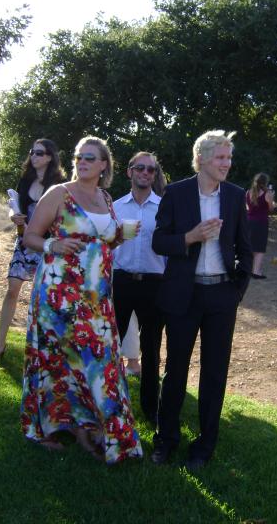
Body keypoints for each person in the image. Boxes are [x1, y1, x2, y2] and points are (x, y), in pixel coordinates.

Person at [20, 135, 142, 463]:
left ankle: (96, 428)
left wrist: (121, 235)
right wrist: (53, 245)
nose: (82, 162)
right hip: (58, 296)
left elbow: (103, 242)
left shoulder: (105, 197)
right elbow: (30, 236)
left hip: (96, 297)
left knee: (100, 362)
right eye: (78, 157)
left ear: (104, 165)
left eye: (90, 157)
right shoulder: (59, 193)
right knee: (55, 360)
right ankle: (46, 429)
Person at [150, 130, 252, 471]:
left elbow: (246, 248)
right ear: (202, 159)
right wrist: (190, 237)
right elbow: (159, 242)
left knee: (214, 374)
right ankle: (166, 440)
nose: (227, 163)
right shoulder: (177, 193)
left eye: (229, 157)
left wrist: (236, 292)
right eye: (221, 157)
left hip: (221, 295)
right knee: (175, 370)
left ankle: (205, 446)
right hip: (184, 293)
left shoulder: (235, 196)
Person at [0, 139, 64, 362]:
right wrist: (14, 216)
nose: (33, 156)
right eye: (32, 152)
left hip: (47, 245)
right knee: (12, 290)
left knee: (44, 298)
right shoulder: (25, 180)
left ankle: (44, 351)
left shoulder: (59, 185)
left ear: (49, 157)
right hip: (23, 243)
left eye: (39, 153)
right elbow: (14, 207)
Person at [112, 151, 167, 424]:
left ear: (155, 175)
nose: (146, 173)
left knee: (152, 348)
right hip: (121, 281)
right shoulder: (115, 207)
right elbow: (106, 245)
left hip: (154, 284)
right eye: (140, 168)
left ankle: (150, 408)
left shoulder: (165, 207)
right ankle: (109, 401)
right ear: (130, 172)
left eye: (151, 170)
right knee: (112, 343)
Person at [246, 172, 275, 279]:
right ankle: (256, 271)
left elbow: (247, 208)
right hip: (261, 223)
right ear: (265, 182)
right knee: (260, 247)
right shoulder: (267, 193)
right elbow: (271, 208)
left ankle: (249, 269)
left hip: (249, 222)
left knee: (251, 245)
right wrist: (271, 199)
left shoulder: (248, 192)